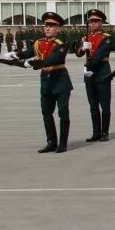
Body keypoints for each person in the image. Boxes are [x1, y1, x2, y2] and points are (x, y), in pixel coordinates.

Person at [7, 12, 72, 153]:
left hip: (60, 81)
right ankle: (51, 142)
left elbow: (53, 59)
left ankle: (63, 143)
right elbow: (26, 53)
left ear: (58, 28)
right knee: (46, 113)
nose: (48, 28)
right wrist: (14, 54)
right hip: (46, 82)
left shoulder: (62, 44)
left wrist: (32, 63)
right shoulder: (39, 42)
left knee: (62, 112)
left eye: (52, 26)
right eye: (46, 25)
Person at [75, 8, 113, 142]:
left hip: (102, 70)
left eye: (96, 21)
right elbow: (78, 53)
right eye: (90, 21)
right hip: (89, 73)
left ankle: (105, 132)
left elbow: (100, 54)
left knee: (105, 104)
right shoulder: (85, 37)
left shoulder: (106, 38)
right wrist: (82, 48)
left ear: (101, 22)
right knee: (93, 104)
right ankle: (96, 132)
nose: (92, 24)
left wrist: (89, 63)